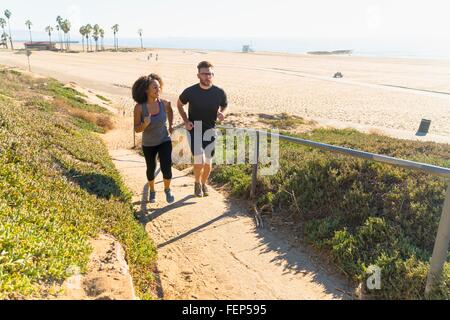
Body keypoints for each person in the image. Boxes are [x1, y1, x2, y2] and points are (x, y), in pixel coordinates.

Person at [177, 61, 228, 197]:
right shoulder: (190, 91)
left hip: (210, 129)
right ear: (198, 75)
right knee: (199, 158)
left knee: (208, 163)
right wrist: (186, 121)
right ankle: (197, 183)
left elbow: (225, 105)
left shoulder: (219, 92)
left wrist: (223, 113)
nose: (207, 76)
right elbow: (179, 104)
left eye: (210, 74)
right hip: (195, 129)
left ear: (213, 74)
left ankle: (204, 183)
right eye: (204, 74)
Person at [133, 73, 175, 203]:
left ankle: (167, 190)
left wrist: (171, 125)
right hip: (149, 143)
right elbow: (137, 129)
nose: (158, 90)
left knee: (166, 166)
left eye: (159, 87)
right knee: (150, 168)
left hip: (164, 140)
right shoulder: (139, 108)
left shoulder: (164, 103)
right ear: (146, 90)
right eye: (155, 88)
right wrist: (144, 124)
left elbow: (170, 111)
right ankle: (152, 191)